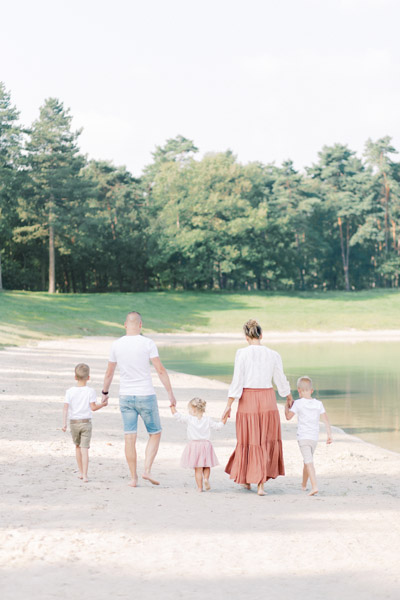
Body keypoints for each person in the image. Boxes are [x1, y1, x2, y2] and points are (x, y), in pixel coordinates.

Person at [101, 311, 176, 487]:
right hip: (146, 395)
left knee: (129, 437)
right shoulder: (148, 343)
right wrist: (170, 394)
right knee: (155, 432)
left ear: (125, 324)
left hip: (125, 396)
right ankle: (147, 470)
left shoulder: (116, 345)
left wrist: (104, 393)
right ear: (141, 325)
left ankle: (133, 478)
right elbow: (160, 370)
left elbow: (109, 373)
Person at [222, 319, 293, 496]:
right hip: (267, 398)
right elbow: (280, 379)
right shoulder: (273, 354)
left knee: (249, 439)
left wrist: (229, 404)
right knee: (264, 439)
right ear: (261, 335)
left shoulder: (242, 353)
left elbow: (237, 380)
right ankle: (260, 485)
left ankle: (248, 480)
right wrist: (288, 397)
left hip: (248, 399)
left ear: (246, 337)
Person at [285, 375, 333, 496]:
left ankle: (314, 486)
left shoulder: (298, 403)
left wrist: (286, 406)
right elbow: (326, 420)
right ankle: (303, 484)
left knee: (309, 462)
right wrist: (329, 434)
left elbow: (288, 417)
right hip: (314, 438)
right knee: (307, 460)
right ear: (311, 390)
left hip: (303, 437)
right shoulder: (319, 404)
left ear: (299, 390)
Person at [62, 363, 108, 482]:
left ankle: (81, 472)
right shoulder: (90, 391)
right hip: (86, 423)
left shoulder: (69, 391)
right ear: (88, 377)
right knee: (85, 449)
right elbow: (93, 408)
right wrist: (103, 404)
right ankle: (86, 475)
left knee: (77, 447)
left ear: (75, 377)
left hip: (74, 423)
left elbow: (65, 408)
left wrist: (64, 423)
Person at [171, 397, 226, 492]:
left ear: (194, 409)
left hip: (194, 446)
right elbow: (218, 426)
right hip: (206, 445)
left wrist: (172, 407)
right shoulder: (208, 419)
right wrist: (224, 419)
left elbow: (178, 416)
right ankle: (206, 479)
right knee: (207, 465)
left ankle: (200, 488)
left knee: (198, 468)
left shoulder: (189, 419)